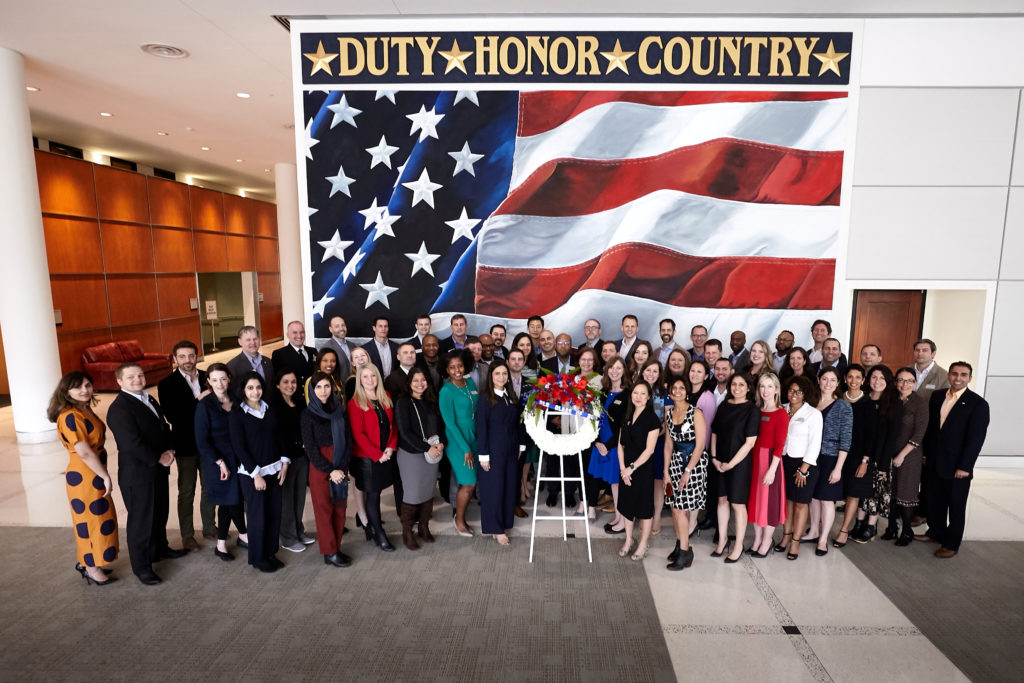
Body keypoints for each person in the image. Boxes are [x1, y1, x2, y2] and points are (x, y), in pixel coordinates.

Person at [106, 363, 186, 585]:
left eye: (139, 375)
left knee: (159, 513)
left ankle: (160, 549)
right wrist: (158, 457)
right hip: (138, 475)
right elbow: (131, 443)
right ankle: (142, 567)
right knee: (141, 522)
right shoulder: (120, 408)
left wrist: (170, 450)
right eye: (130, 377)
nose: (137, 379)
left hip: (157, 470)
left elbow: (163, 427)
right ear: (119, 381)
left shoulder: (148, 398)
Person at [48, 371, 119, 585]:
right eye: (77, 387)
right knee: (90, 521)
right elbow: (84, 451)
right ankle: (89, 566)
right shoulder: (70, 415)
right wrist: (105, 475)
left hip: (93, 471)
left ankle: (93, 560)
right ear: (65, 391)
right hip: (85, 475)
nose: (84, 390)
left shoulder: (83, 409)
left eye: (87, 385)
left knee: (100, 518)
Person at [916, 362, 990, 558]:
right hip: (934, 460)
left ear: (969, 378)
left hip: (958, 466)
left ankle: (951, 543)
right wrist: (925, 454)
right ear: (948, 375)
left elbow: (976, 439)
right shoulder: (938, 396)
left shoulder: (978, 404)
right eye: (955, 374)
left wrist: (965, 466)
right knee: (933, 500)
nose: (958, 378)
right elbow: (931, 429)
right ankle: (935, 532)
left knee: (956, 505)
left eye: (963, 375)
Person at [229, 371, 289, 573]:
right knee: (258, 517)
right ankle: (258, 557)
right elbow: (239, 447)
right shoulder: (237, 414)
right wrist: (255, 474)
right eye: (250, 388)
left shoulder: (269, 408)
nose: (255, 392)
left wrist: (285, 462)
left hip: (275, 469)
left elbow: (281, 436)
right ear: (243, 390)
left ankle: (270, 552)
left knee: (274, 513)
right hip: (253, 474)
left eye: (258, 387)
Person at [157, 340, 214, 550]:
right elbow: (174, 417)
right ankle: (187, 534)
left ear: (197, 356)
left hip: (209, 444)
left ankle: (209, 526)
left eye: (191, 356)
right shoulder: (166, 384)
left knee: (210, 487)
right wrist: (200, 399)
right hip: (185, 444)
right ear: (175, 359)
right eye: (182, 356)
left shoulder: (208, 376)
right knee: (187, 490)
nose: (187, 360)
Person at [193, 363, 248, 562]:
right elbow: (201, 440)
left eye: (223, 378)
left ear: (229, 378)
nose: (219, 383)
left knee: (232, 500)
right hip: (217, 461)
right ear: (208, 381)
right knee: (229, 499)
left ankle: (224, 542)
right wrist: (219, 462)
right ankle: (240, 535)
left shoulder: (236, 398)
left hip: (237, 458)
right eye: (214, 379)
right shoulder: (204, 405)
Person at [301, 371, 352, 567]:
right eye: (319, 387)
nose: (323, 391)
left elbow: (348, 440)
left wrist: (341, 466)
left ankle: (336, 547)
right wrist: (331, 470)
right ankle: (329, 552)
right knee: (324, 511)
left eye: (327, 386)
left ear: (333, 388)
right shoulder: (307, 415)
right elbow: (311, 449)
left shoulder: (340, 409)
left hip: (341, 464)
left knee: (340, 509)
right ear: (313, 391)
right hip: (321, 468)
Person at [347, 364, 399, 552]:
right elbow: (358, 435)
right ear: (360, 380)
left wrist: (391, 448)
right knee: (373, 495)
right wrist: (377, 455)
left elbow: (393, 426)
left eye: (373, 376)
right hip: (367, 458)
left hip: (386, 453)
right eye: (366, 377)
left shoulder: (386, 397)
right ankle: (378, 532)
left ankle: (372, 528)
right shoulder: (355, 403)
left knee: (377, 492)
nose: (370, 380)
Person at [800, 368, 852, 555]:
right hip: (811, 457)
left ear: (838, 383)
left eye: (832, 380)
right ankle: (813, 531)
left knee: (827, 500)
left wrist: (838, 468)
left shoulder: (843, 407)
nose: (828, 383)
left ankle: (823, 539)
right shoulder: (810, 403)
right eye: (824, 379)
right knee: (813, 497)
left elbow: (846, 440)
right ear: (818, 380)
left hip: (831, 458)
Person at [710, 373, 759, 563]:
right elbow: (714, 433)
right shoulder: (724, 405)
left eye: (741, 385)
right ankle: (722, 540)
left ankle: (738, 544)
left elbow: (749, 443)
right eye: (734, 384)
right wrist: (714, 458)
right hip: (719, 460)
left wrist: (731, 463)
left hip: (739, 463)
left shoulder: (752, 410)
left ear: (748, 388)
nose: (737, 388)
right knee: (721, 501)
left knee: (737, 504)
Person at [394, 368, 443, 548]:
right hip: (411, 455)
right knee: (413, 494)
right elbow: (405, 433)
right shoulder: (403, 402)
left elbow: (441, 425)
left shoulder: (431, 401)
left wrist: (441, 443)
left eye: (423, 380)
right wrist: (427, 448)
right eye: (416, 380)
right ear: (409, 382)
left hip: (432, 453)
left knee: (428, 492)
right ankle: (407, 532)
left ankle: (424, 527)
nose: (420, 384)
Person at [476, 361, 524, 546]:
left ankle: (503, 522)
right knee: (493, 490)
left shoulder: (510, 395)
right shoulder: (485, 399)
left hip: (511, 451)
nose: (502, 377)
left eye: (505, 373)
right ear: (491, 376)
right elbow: (481, 429)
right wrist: (483, 456)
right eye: (497, 373)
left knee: (508, 487)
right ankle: (495, 529)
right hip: (493, 452)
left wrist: (521, 444)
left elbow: (518, 423)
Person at [775, 375, 823, 560]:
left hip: (804, 464)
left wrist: (803, 469)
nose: (794, 394)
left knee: (801, 504)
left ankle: (795, 541)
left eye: (798, 391)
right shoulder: (783, 409)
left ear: (805, 394)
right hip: (784, 461)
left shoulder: (813, 414)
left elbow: (814, 444)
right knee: (787, 502)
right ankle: (785, 537)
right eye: (791, 390)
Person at [663, 377, 708, 571]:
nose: (678, 391)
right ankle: (680, 544)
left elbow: (700, 446)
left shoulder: (696, 413)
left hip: (693, 465)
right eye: (675, 388)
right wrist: (665, 471)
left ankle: (685, 552)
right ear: (670, 393)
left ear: (686, 391)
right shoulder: (669, 413)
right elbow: (668, 445)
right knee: (674, 507)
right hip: (674, 463)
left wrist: (688, 470)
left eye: (682, 388)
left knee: (682, 509)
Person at [834, 364, 881, 548]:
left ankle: (844, 529)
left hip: (857, 456)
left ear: (863, 380)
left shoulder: (868, 404)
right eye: (850, 377)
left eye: (857, 377)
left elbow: (871, 436)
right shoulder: (837, 399)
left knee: (853, 493)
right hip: (836, 453)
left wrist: (865, 461)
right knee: (832, 492)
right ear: (845, 378)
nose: (853, 381)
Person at [853, 365, 901, 544]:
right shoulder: (863, 401)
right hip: (863, 455)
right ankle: (858, 523)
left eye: (882, 378)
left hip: (881, 457)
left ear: (888, 381)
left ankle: (871, 527)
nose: (877, 381)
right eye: (874, 377)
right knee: (862, 491)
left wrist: (882, 464)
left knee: (875, 494)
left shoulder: (893, 403)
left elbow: (892, 436)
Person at [616, 380, 662, 561]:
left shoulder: (652, 419)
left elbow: (649, 450)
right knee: (627, 506)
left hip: (642, 469)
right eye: (636, 393)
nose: (639, 397)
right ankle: (628, 540)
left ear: (649, 397)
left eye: (643, 394)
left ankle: (643, 543)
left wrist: (631, 469)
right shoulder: (627, 415)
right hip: (625, 468)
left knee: (643, 508)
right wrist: (622, 469)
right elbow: (620, 445)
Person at [748, 373, 789, 557]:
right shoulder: (756, 410)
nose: (765, 390)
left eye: (770, 386)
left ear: (777, 390)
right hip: (755, 459)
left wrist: (772, 470)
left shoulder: (781, 414)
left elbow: (780, 445)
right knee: (756, 502)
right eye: (762, 386)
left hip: (770, 461)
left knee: (769, 503)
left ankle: (767, 541)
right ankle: (757, 539)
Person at [439, 351, 479, 536]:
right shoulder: (446, 391)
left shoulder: (470, 383)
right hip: (458, 442)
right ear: (446, 369)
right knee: (468, 483)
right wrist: (466, 449)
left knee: (473, 481)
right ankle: (459, 519)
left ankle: (460, 514)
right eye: (452, 367)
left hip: (474, 436)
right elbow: (450, 424)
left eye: (460, 366)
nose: (457, 370)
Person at [889, 367, 930, 546]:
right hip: (889, 454)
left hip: (909, 456)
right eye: (901, 380)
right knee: (889, 493)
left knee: (906, 493)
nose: (904, 384)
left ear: (914, 383)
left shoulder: (919, 403)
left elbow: (919, 434)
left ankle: (907, 530)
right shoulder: (891, 400)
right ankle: (891, 527)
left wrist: (901, 455)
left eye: (909, 381)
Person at [275, 369, 314, 553]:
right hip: (285, 460)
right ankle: (288, 538)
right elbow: (278, 435)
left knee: (299, 498)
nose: (290, 385)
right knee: (287, 500)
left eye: (293, 382)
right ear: (278, 385)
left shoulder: (298, 402)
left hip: (301, 457)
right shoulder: (275, 407)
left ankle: (299, 531)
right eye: (285, 382)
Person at [590, 357, 630, 534]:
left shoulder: (628, 394)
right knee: (613, 483)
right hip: (601, 443)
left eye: (618, 368)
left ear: (624, 371)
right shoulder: (604, 392)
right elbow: (596, 418)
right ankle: (618, 516)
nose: (614, 371)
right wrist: (597, 442)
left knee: (618, 483)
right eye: (611, 368)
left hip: (615, 445)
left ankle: (623, 520)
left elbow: (624, 425)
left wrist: (608, 445)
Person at [639, 360, 668, 534]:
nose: (651, 373)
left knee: (657, 483)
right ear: (643, 372)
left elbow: (667, 420)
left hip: (658, 442)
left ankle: (656, 517)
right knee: (643, 482)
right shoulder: (636, 390)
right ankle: (644, 516)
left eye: (655, 371)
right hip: (639, 444)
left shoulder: (664, 392)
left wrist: (653, 436)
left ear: (659, 374)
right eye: (648, 370)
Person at [226, 326, 273, 393]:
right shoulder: (232, 366)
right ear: (240, 342)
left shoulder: (268, 361)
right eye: (248, 340)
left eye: (255, 339)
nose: (253, 342)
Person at [271, 320, 317, 387]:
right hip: (292, 395)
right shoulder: (279, 354)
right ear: (288, 335)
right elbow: (276, 381)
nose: (299, 336)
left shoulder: (313, 351)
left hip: (312, 395)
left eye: (302, 332)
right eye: (295, 333)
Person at [323, 316, 357, 382]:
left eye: (343, 325)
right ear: (330, 329)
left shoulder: (353, 346)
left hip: (356, 389)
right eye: (337, 326)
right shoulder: (326, 348)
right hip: (338, 390)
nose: (341, 328)